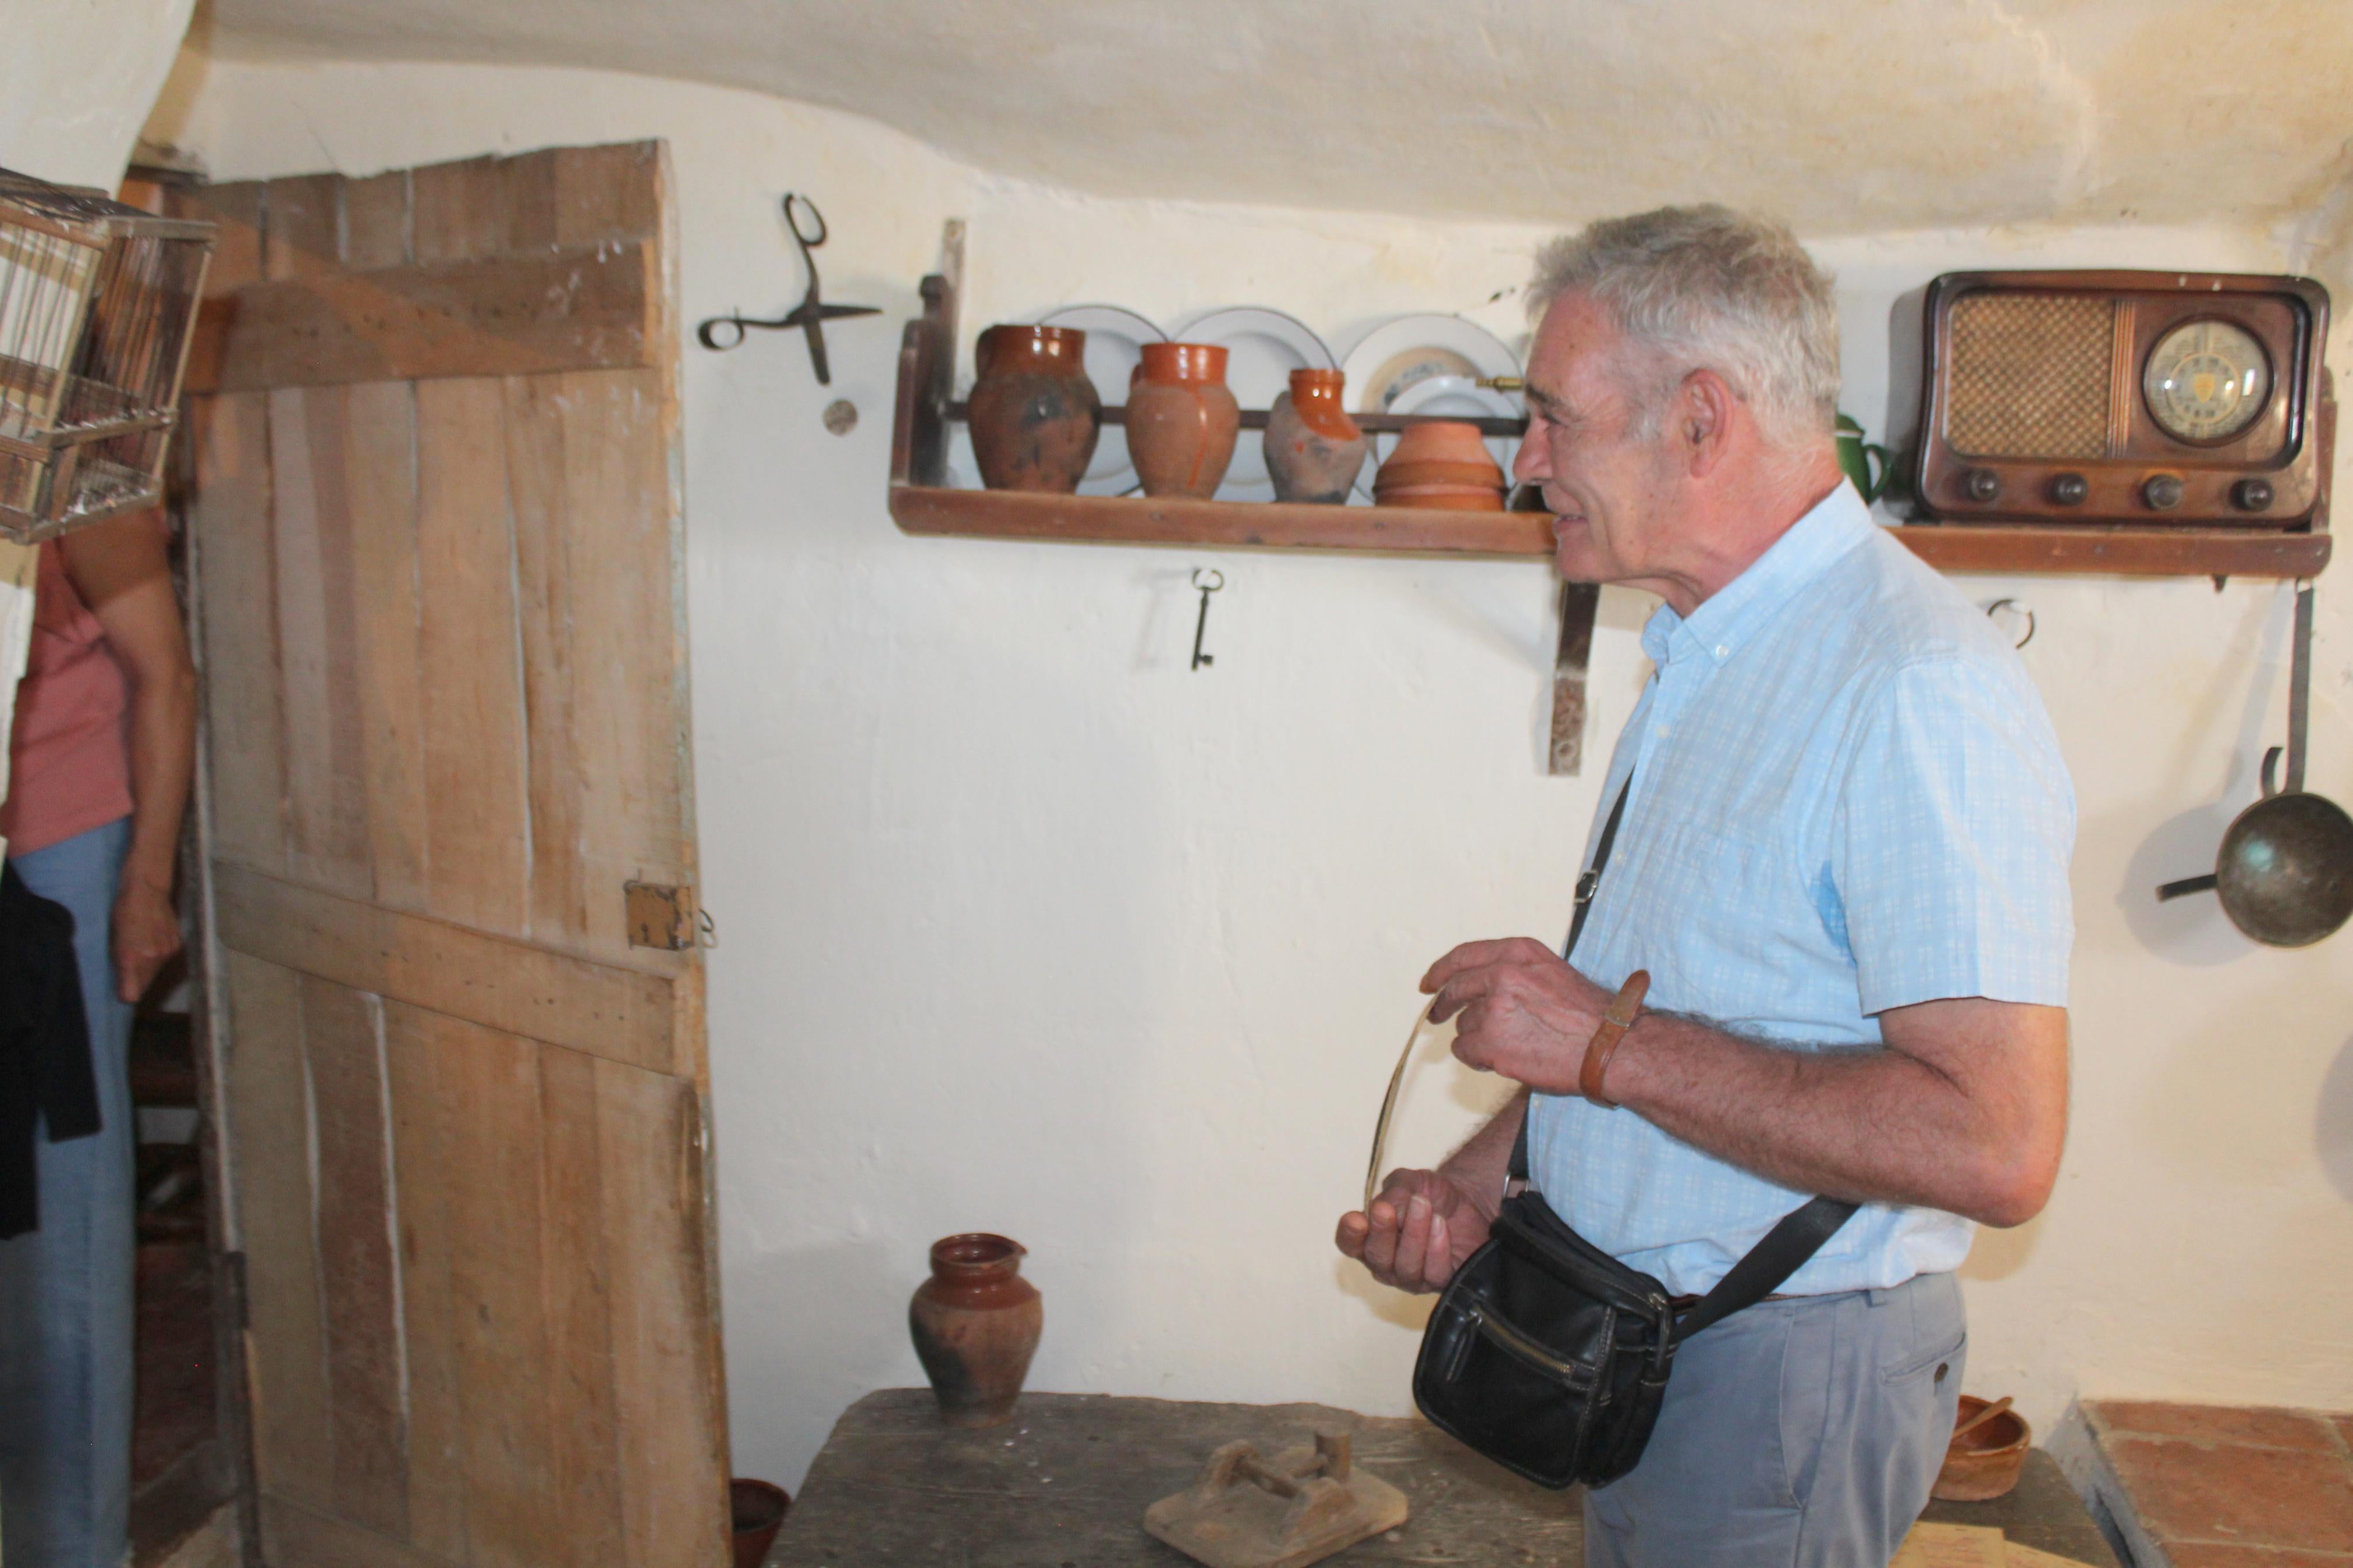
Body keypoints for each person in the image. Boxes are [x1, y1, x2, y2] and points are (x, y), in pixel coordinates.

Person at [1335, 207, 2074, 1568]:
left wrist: (1599, 1045)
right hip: (1663, 1352)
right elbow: (1689, 1016)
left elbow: (1998, 1143)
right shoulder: (1708, 649)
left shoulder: (1916, 686)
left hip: (1778, 1384)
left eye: (1555, 416)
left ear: (1701, 419)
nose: (1526, 460)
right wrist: (1484, 1182)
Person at [0, 509, 197, 1568]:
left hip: (55, 856)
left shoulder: (76, 467)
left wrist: (146, 886)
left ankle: (74, 1546)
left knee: (59, 1210)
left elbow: (165, 675)